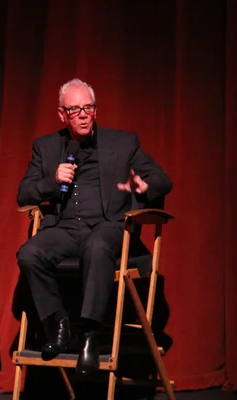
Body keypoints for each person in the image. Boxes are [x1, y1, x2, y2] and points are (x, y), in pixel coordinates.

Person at [16, 78, 172, 374]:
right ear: (62, 114)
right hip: (64, 229)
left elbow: (163, 180)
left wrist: (143, 185)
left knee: (97, 245)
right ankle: (59, 324)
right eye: (75, 109)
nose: (84, 114)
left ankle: (89, 335)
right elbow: (23, 194)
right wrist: (52, 181)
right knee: (29, 253)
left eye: (88, 107)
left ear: (95, 110)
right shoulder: (46, 147)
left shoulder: (123, 143)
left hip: (108, 226)